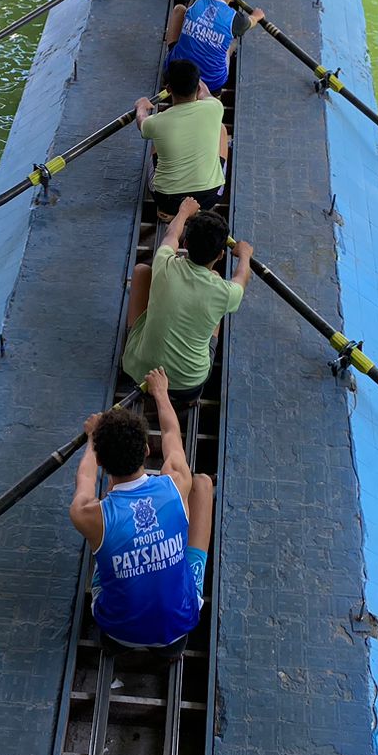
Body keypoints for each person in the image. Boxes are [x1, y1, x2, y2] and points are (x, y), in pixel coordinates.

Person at [70, 368, 214, 651]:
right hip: (178, 626)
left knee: (108, 521)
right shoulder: (176, 482)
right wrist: (161, 392)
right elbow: (172, 432)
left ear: (101, 461)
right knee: (203, 485)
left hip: (118, 631)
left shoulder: (87, 514)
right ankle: (170, 648)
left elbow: (85, 478)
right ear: (148, 450)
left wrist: (91, 439)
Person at [122, 198, 252, 398]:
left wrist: (183, 212)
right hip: (187, 385)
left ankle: (139, 351)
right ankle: (191, 400)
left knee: (141, 271)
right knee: (217, 293)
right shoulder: (225, 292)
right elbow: (241, 278)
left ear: (186, 243)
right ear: (220, 255)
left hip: (139, 371)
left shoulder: (164, 262)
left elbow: (171, 234)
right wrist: (244, 255)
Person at [137, 59, 228, 220]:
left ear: (169, 89)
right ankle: (194, 212)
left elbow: (141, 121)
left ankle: (173, 214)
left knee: (156, 139)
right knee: (221, 129)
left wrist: (141, 106)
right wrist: (194, 77)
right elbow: (205, 93)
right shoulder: (214, 107)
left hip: (166, 199)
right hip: (209, 197)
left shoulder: (157, 122)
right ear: (198, 86)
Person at [164, 0, 262, 94]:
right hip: (211, 82)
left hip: (174, 71)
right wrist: (257, 15)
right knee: (231, 43)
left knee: (179, 10)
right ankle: (214, 95)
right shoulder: (237, 20)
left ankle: (172, 50)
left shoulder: (197, 0)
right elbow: (252, 21)